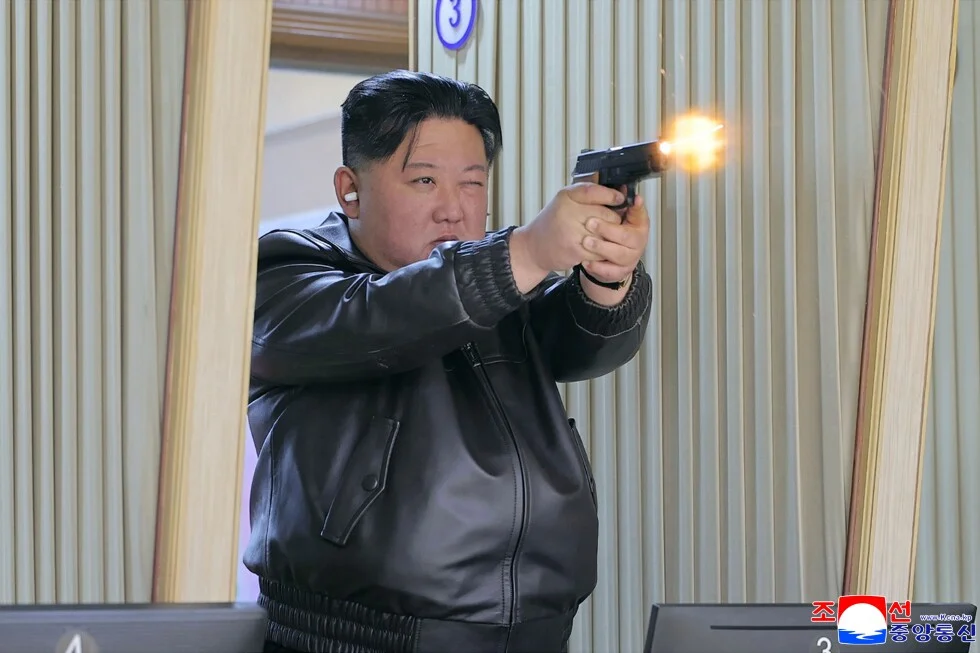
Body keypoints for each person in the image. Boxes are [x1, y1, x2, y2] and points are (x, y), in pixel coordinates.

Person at [245, 70, 653, 653]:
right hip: (352, 638)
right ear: (349, 190)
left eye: (472, 183)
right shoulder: (284, 272)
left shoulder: (490, 272)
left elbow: (581, 340)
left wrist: (606, 275)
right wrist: (526, 251)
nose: (453, 210)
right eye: (424, 180)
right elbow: (380, 316)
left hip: (538, 635)